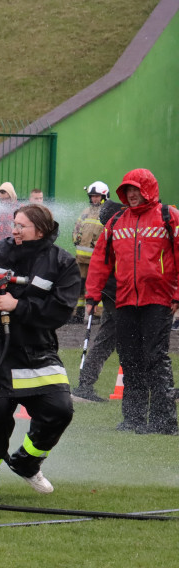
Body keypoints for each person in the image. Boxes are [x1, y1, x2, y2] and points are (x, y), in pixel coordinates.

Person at [0, 204, 81, 504]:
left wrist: (18, 307)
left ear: (41, 229)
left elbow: (60, 311)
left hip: (37, 350)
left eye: (21, 226)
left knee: (59, 410)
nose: (14, 230)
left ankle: (26, 461)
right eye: (14, 224)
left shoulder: (62, 263)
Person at [85, 168, 179, 435]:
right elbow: (100, 263)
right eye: (128, 190)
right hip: (124, 300)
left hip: (159, 300)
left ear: (148, 189)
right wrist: (92, 296)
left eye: (136, 189)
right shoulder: (117, 222)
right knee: (130, 359)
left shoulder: (168, 217)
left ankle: (164, 422)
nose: (132, 194)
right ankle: (133, 419)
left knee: (155, 358)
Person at [72, 199, 124, 403]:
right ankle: (85, 384)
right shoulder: (115, 235)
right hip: (118, 297)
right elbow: (100, 267)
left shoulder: (110, 233)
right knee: (111, 341)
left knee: (108, 340)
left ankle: (85, 383)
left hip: (113, 296)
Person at [72, 182, 110, 322]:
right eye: (92, 196)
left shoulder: (107, 213)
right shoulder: (86, 212)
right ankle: (78, 314)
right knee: (79, 286)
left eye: (97, 196)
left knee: (96, 287)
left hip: (97, 260)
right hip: (81, 259)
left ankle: (97, 315)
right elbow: (77, 227)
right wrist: (75, 238)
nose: (94, 199)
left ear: (104, 196)